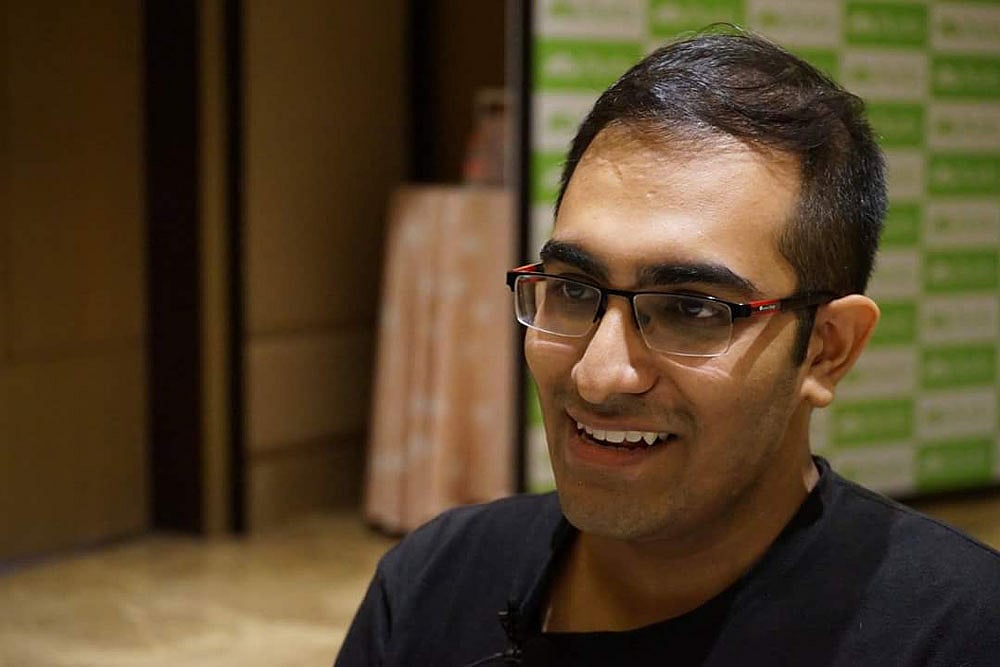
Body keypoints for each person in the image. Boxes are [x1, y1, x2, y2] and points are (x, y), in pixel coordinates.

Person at [336, 29, 1000, 666]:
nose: (599, 375)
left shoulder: (954, 633)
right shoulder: (434, 586)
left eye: (691, 309)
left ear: (827, 349)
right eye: (573, 289)